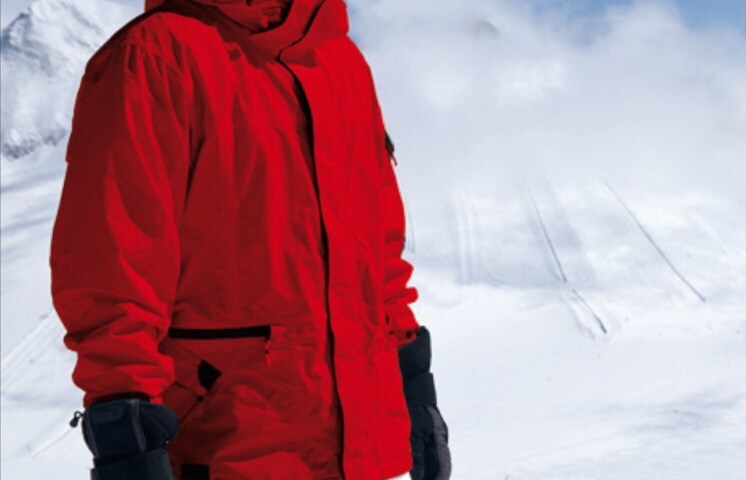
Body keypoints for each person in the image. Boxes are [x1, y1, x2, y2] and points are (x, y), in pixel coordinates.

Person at [50, 0, 449, 478]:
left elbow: (377, 252)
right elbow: (113, 262)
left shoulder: (340, 61)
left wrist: (412, 382)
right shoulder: (155, 56)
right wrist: (126, 437)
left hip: (358, 454)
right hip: (224, 451)